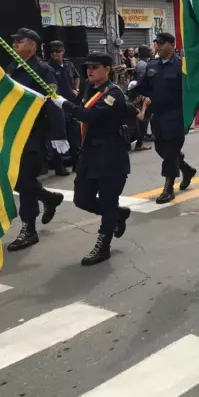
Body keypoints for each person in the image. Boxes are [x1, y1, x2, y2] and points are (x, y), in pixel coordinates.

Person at [51, 52, 133, 265]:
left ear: (107, 69)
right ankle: (116, 215)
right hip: (89, 155)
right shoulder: (89, 89)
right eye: (88, 67)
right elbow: (80, 109)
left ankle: (103, 245)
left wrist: (64, 105)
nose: (90, 70)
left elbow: (90, 116)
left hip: (110, 156)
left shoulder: (113, 94)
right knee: (81, 199)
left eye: (95, 67)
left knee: (108, 200)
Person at [4, 28, 69, 252]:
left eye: (18, 42)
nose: (14, 46)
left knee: (26, 180)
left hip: (33, 133)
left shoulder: (42, 70)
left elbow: (53, 101)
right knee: (18, 181)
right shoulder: (13, 67)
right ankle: (49, 198)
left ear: (31, 46)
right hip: (13, 132)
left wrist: (59, 135)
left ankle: (28, 229)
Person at [128, 32, 196, 203]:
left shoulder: (183, 66)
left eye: (161, 43)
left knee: (171, 153)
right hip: (157, 115)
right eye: (156, 43)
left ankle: (168, 187)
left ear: (172, 44)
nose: (157, 46)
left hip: (176, 115)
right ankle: (186, 170)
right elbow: (144, 86)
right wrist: (130, 93)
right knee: (161, 149)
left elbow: (192, 90)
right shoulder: (152, 65)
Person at [47, 40, 81, 176]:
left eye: (58, 51)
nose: (55, 54)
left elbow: (77, 76)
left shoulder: (68, 64)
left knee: (74, 134)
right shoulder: (48, 67)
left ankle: (76, 163)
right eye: (53, 51)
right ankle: (59, 166)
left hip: (70, 102)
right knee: (59, 136)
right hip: (56, 105)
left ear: (63, 51)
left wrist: (76, 88)